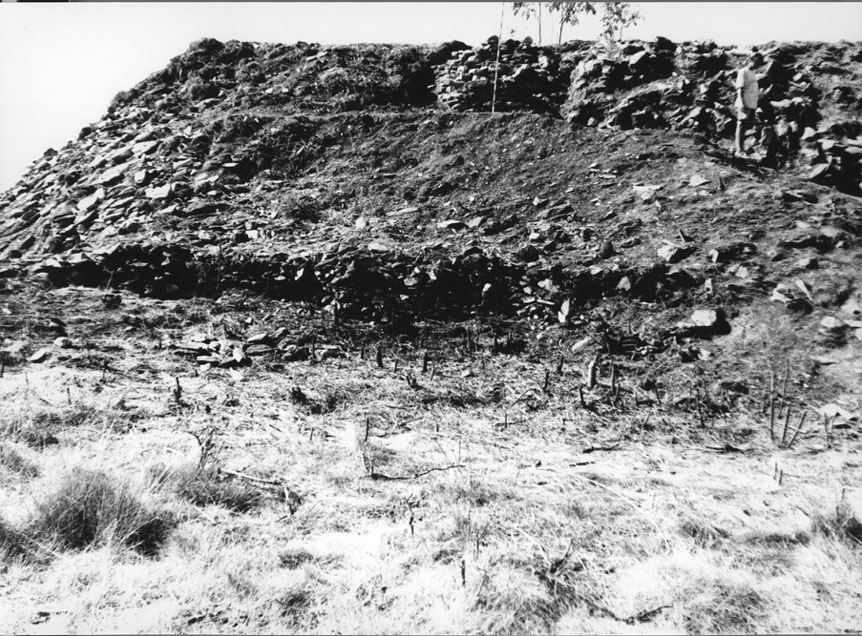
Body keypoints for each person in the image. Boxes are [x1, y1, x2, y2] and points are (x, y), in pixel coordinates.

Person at [734, 50, 763, 157]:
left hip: (751, 103)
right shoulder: (743, 71)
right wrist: (741, 103)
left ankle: (740, 147)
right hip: (744, 102)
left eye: (759, 63)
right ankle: (739, 150)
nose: (757, 65)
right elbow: (740, 88)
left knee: (746, 125)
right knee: (741, 125)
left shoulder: (753, 73)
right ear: (751, 60)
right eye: (756, 62)